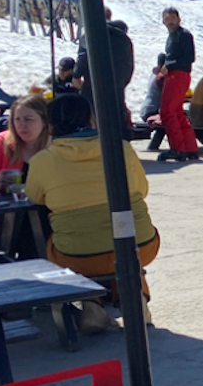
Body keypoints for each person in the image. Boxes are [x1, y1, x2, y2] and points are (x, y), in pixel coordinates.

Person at [25, 91, 160, 325]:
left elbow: (35, 197)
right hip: (142, 244)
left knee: (60, 242)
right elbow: (141, 190)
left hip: (78, 256)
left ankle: (91, 304)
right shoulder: (121, 148)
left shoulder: (42, 160)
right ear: (91, 119)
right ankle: (136, 300)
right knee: (123, 245)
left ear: (50, 125)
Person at [72, 5, 136, 134]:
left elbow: (84, 56)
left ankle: (96, 139)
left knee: (92, 112)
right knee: (116, 112)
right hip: (117, 83)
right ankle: (118, 140)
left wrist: (76, 74)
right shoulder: (123, 38)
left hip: (94, 82)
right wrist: (123, 82)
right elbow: (129, 63)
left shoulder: (91, 33)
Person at [153, 6, 201, 159]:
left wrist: (169, 65)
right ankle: (189, 147)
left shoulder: (184, 34)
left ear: (179, 19)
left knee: (168, 111)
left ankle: (178, 148)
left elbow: (189, 57)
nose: (169, 22)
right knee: (177, 111)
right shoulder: (173, 36)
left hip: (178, 75)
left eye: (172, 18)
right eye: (167, 18)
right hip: (176, 75)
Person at [0, 92, 52, 194]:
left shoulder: (57, 146)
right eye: (17, 119)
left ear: (45, 122)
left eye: (28, 119)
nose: (22, 125)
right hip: (8, 208)